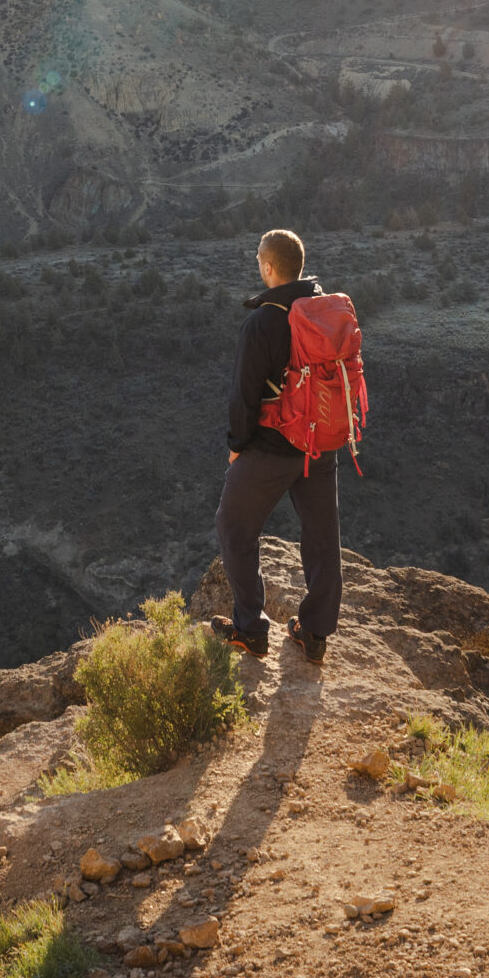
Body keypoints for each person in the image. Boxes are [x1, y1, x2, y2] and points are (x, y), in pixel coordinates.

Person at [210, 227, 340, 664]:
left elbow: (243, 395)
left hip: (270, 446)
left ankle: (251, 630)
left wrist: (236, 445)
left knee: (234, 527)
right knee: (322, 537)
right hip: (320, 443)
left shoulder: (262, 321)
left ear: (268, 268)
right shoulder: (325, 310)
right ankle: (316, 634)